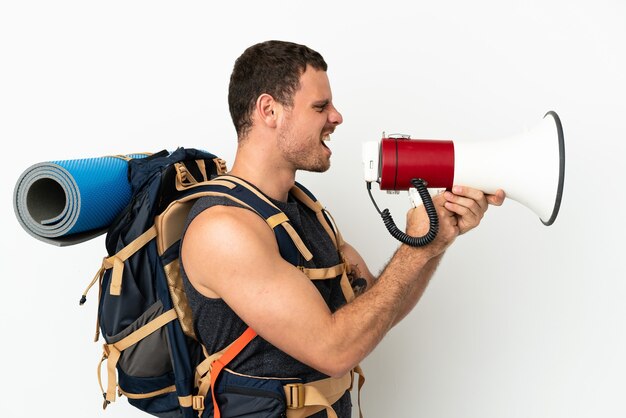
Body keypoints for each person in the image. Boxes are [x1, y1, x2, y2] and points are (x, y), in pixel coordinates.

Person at [180, 40, 505, 418]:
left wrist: (433, 241)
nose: (337, 117)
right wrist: (414, 249)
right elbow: (334, 351)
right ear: (269, 110)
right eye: (320, 107)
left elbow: (377, 311)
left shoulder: (303, 209)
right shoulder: (224, 228)